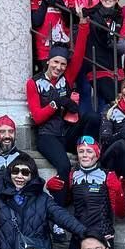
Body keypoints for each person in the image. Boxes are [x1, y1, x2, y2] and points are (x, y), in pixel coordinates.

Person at [58, 135, 125, 249]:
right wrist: (55, 189)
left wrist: (119, 193)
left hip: (102, 235)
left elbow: (121, 213)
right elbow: (66, 200)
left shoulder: (108, 175)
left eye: (89, 151)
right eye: (81, 151)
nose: (84, 155)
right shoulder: (72, 174)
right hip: (78, 234)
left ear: (97, 154)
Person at [26, 45, 86, 181]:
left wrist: (83, 24)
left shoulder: (67, 78)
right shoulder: (33, 83)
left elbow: (78, 55)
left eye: (63, 64)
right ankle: (60, 202)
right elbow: (37, 117)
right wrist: (56, 103)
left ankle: (90, 149)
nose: (59, 67)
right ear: (48, 61)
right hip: (47, 135)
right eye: (55, 62)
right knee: (64, 166)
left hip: (66, 132)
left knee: (92, 118)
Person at [78, 0, 125, 116]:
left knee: (112, 107)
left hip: (114, 69)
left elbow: (124, 47)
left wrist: (112, 42)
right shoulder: (90, 15)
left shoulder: (121, 18)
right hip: (93, 67)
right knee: (97, 109)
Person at [0, 115, 35, 193]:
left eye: (11, 131)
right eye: (2, 132)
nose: (7, 136)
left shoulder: (26, 159)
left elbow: (35, 186)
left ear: (15, 134)